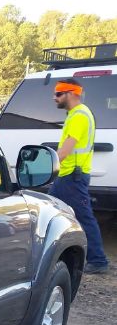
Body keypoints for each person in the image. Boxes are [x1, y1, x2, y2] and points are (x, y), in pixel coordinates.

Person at [49, 78, 109, 274]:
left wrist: (47, 166)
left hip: (71, 178)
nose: (54, 97)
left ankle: (98, 260)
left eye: (59, 93)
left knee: (81, 217)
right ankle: (60, 254)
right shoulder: (77, 114)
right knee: (54, 213)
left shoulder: (79, 116)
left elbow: (65, 150)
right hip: (69, 176)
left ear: (72, 93)